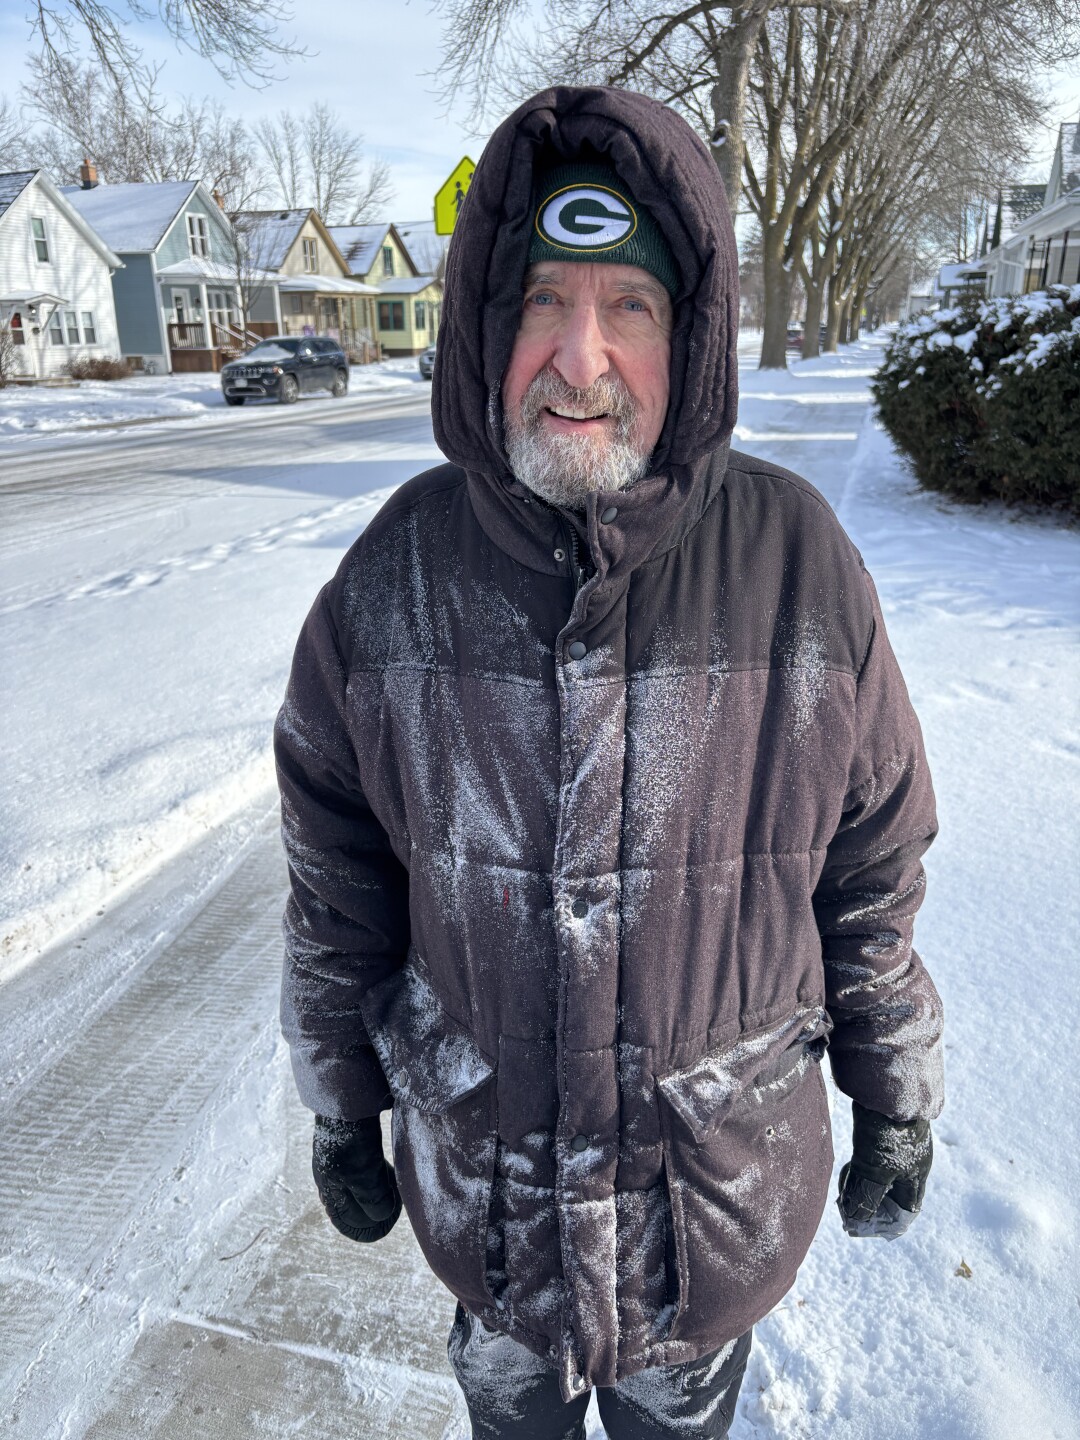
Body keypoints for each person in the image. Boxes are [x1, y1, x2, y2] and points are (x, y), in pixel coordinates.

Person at [275, 86, 944, 1440]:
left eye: (628, 305)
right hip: (491, 1212)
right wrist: (342, 1098)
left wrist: (895, 1089)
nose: (579, 358)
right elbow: (332, 878)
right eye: (542, 300)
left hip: (707, 1217)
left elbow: (873, 862)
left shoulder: (797, 566)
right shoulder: (394, 579)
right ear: (487, 324)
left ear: (687, 335)